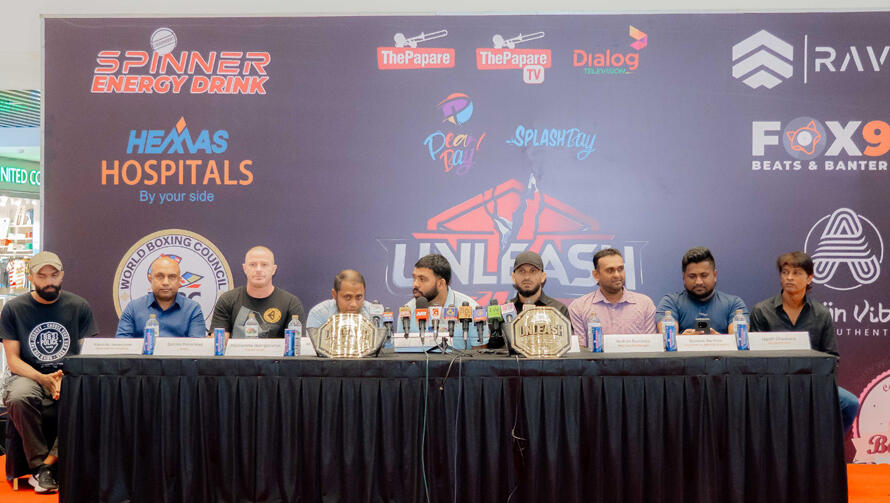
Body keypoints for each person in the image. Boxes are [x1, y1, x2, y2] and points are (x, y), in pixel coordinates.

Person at [0, 251, 98, 493]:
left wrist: (67, 376)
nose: (49, 281)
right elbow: (13, 361)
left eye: (54, 275)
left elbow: (86, 354)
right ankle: (39, 468)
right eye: (42, 276)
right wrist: (43, 378)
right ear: (31, 278)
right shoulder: (14, 309)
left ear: (62, 275)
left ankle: (48, 463)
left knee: (86, 396)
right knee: (19, 396)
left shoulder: (79, 306)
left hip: (69, 375)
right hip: (28, 375)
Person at [749, 251, 860, 434]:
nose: (789, 278)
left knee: (850, 403)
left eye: (796, 273)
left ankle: (827, 446)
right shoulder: (762, 311)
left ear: (809, 278)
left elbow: (831, 357)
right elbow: (754, 358)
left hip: (811, 383)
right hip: (773, 383)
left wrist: (816, 385)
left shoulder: (821, 314)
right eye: (785, 272)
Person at [210, 246, 305, 338]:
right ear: (245, 268)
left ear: (273, 269)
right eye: (252, 264)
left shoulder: (290, 303)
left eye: (264, 265)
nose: (258, 269)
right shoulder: (227, 300)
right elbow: (218, 343)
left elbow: (296, 344)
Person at [568, 248, 655, 341]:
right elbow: (580, 347)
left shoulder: (644, 304)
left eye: (620, 269)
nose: (617, 275)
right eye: (610, 270)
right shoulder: (579, 307)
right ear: (596, 275)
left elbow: (652, 344)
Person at [656, 247, 747, 334]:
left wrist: (716, 340)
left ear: (715, 275)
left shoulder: (734, 304)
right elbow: (667, 339)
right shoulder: (670, 303)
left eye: (704, 275)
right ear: (684, 277)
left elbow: (739, 340)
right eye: (692, 276)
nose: (698, 282)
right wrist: (684, 339)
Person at [403, 253, 484, 348]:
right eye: (414, 278)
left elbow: (480, 354)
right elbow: (400, 351)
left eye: (422, 279)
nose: (415, 284)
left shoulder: (471, 310)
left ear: (441, 284)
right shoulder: (407, 311)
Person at [115, 255, 206, 338]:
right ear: (150, 279)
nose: (165, 282)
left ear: (179, 281)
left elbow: (197, 347)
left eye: (172, 277)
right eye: (160, 276)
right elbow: (123, 346)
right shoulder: (133, 308)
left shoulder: (193, 309)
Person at [508, 250, 569, 317]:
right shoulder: (505, 311)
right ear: (513, 277)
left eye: (533, 271)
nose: (527, 277)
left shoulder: (558, 310)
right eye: (522, 271)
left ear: (543, 277)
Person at [306, 269, 373, 328]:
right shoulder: (319, 313)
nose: (354, 304)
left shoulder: (374, 315)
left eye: (359, 297)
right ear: (334, 295)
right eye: (347, 297)